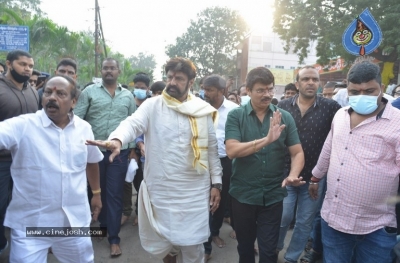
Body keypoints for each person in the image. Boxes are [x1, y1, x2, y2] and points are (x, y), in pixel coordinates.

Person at [87, 57, 222, 263]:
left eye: (178, 78)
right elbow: (132, 124)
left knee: (193, 246)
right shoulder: (152, 105)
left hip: (194, 191)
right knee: (165, 244)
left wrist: (217, 183)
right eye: (169, 77)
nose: (172, 82)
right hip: (162, 189)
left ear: (190, 82)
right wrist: (117, 139)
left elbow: (212, 150)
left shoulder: (201, 110)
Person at [0, 75, 103, 262]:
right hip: (30, 224)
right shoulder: (23, 125)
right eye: (48, 92)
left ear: (73, 101)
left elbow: (92, 161)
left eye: (60, 93)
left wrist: (96, 193)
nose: (52, 97)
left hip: (73, 223)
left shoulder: (84, 128)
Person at [309, 61, 400, 263]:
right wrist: (315, 177)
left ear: (381, 89)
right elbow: (328, 148)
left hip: (376, 226)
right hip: (334, 220)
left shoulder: (397, 123)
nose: (361, 97)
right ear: (347, 88)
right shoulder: (340, 115)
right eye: (355, 91)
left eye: (369, 91)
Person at [225, 66, 305, 263]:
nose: (267, 94)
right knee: (245, 249)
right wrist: (267, 140)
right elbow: (232, 151)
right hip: (243, 195)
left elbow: (297, 152)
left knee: (269, 252)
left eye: (270, 89)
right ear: (248, 91)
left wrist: (293, 174)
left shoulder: (284, 117)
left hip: (273, 195)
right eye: (261, 90)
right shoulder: (236, 116)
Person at [277, 66, 341, 263]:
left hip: (314, 177)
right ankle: (273, 248)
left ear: (319, 83)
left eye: (314, 79)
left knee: (305, 222)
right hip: (286, 174)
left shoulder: (331, 108)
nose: (311, 82)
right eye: (306, 79)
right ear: (297, 84)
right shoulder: (283, 106)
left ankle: (291, 258)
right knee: (283, 216)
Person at [74, 58, 136, 257]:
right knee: (94, 192)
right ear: (101, 70)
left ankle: (114, 239)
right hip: (93, 152)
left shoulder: (128, 96)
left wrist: (133, 149)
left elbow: (133, 124)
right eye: (105, 68)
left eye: (112, 68)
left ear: (119, 71)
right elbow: (77, 119)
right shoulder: (89, 92)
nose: (109, 71)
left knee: (115, 193)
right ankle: (100, 226)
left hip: (120, 153)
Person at [0, 50, 39, 256]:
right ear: (8, 64)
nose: (27, 69)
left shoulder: (32, 91)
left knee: (26, 205)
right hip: (2, 160)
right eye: (22, 64)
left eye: (30, 66)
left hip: (27, 160)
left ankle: (25, 246)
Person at [202, 74, 238, 261]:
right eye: (204, 89)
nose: (205, 93)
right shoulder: (199, 108)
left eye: (209, 90)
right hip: (202, 162)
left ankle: (214, 232)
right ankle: (205, 244)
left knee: (219, 201)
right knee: (204, 202)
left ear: (222, 91)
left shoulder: (234, 110)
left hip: (225, 161)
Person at [121, 72, 150, 226]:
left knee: (141, 183)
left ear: (148, 88)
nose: (139, 90)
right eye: (137, 87)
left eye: (142, 88)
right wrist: (131, 148)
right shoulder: (128, 103)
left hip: (145, 150)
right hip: (127, 148)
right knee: (126, 182)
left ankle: (140, 212)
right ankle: (126, 211)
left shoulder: (151, 105)